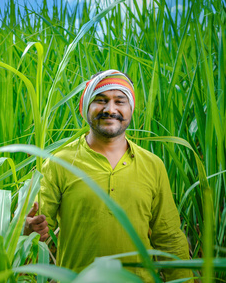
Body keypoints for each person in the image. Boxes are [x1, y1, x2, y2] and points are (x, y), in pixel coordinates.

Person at [24, 70, 193, 282]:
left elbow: (169, 238)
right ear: (86, 108)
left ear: (130, 109)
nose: (110, 109)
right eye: (100, 100)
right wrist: (29, 229)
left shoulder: (153, 165)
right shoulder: (60, 162)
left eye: (119, 101)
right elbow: (36, 227)